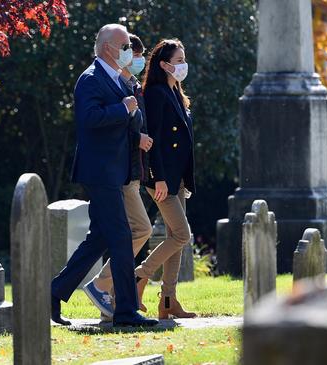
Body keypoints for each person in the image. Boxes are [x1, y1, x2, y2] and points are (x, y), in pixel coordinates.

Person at [50, 24, 158, 327]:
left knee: (99, 238)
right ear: (108, 47)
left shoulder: (117, 79)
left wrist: (129, 114)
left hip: (116, 171)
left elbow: (127, 121)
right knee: (122, 236)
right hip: (99, 171)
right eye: (124, 46)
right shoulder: (91, 79)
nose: (128, 51)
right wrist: (122, 109)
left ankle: (54, 292)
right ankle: (125, 310)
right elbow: (88, 120)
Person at [82, 33, 153, 320]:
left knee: (113, 235)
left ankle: (110, 298)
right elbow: (98, 123)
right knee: (139, 230)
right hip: (119, 172)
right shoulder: (109, 82)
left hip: (131, 170)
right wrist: (137, 137)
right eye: (132, 52)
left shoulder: (129, 84)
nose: (137, 59)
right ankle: (101, 285)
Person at [135, 39, 197, 319]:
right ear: (164, 64)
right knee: (183, 235)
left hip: (178, 179)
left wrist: (185, 180)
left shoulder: (176, 93)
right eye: (179, 59)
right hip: (162, 180)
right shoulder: (157, 94)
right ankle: (138, 276)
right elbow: (156, 141)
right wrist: (158, 178)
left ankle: (168, 302)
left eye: (184, 58)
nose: (183, 64)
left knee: (176, 236)